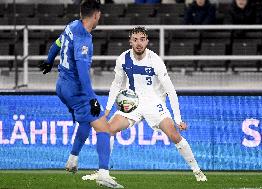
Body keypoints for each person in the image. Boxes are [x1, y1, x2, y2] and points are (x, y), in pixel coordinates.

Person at [84, 26, 207, 182]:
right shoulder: (123, 58)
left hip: (153, 103)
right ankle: (103, 171)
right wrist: (107, 109)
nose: (139, 43)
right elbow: (116, 84)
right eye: (135, 39)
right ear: (130, 41)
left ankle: (197, 171)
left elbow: (170, 90)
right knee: (108, 130)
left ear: (147, 41)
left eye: (142, 39)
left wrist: (178, 118)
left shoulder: (155, 61)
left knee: (174, 135)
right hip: (131, 103)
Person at [39, 0, 123, 188]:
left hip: (61, 86)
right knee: (105, 129)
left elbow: (57, 43)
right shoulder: (84, 38)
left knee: (85, 120)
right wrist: (92, 98)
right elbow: (83, 71)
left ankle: (72, 160)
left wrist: (48, 61)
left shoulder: (71, 26)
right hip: (76, 89)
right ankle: (103, 173)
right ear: (97, 15)